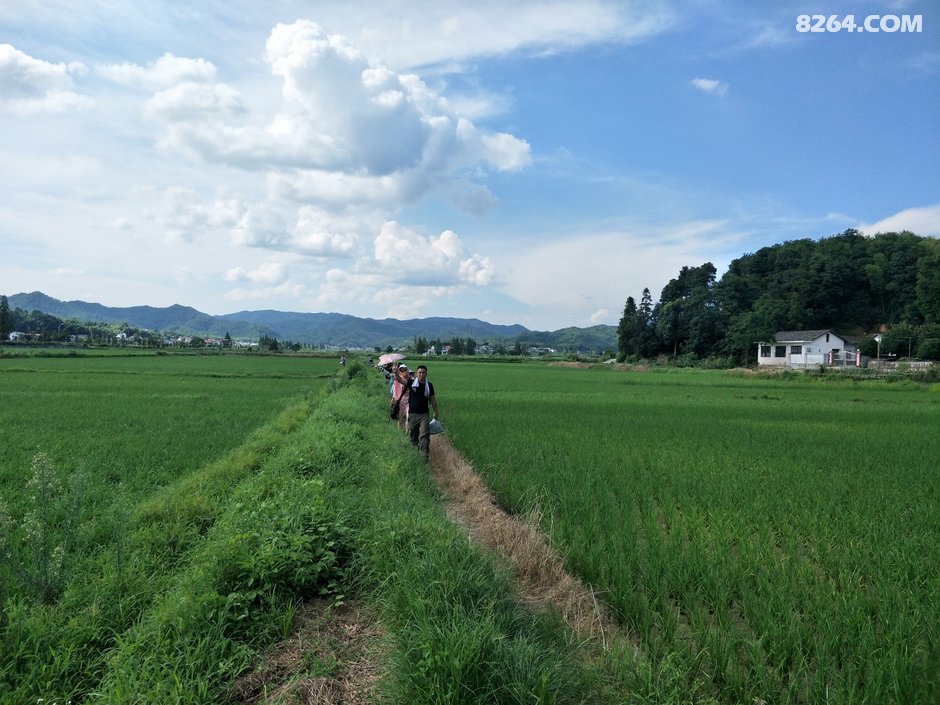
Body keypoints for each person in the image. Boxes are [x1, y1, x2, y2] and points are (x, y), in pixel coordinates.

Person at [407, 365, 440, 462]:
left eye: (423, 372)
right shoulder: (412, 383)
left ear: (426, 374)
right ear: (417, 374)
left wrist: (436, 411)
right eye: (419, 372)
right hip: (413, 414)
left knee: (425, 435)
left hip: (424, 414)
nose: (421, 374)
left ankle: (424, 457)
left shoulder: (429, 385)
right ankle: (414, 454)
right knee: (413, 435)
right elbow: (400, 380)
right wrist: (395, 372)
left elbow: (433, 399)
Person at [393, 364, 412, 432]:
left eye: (405, 369)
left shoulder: (410, 379)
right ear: (399, 371)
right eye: (402, 370)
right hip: (400, 401)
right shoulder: (397, 380)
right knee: (400, 418)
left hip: (409, 401)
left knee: (408, 417)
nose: (404, 371)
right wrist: (394, 399)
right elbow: (395, 391)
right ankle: (400, 433)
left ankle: (407, 432)